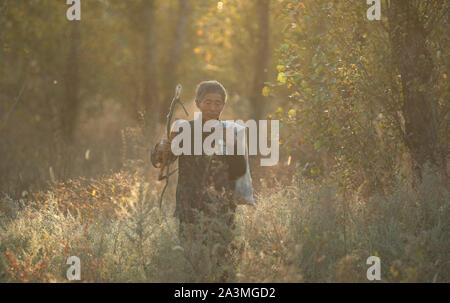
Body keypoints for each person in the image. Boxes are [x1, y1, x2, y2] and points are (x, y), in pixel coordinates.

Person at [151, 80, 247, 281]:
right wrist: (161, 148)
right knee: (192, 264)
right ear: (197, 103)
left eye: (218, 103)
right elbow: (162, 162)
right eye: (208, 102)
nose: (213, 108)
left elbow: (239, 170)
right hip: (189, 209)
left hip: (222, 211)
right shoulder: (185, 130)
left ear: (223, 105)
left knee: (222, 267)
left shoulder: (230, 132)